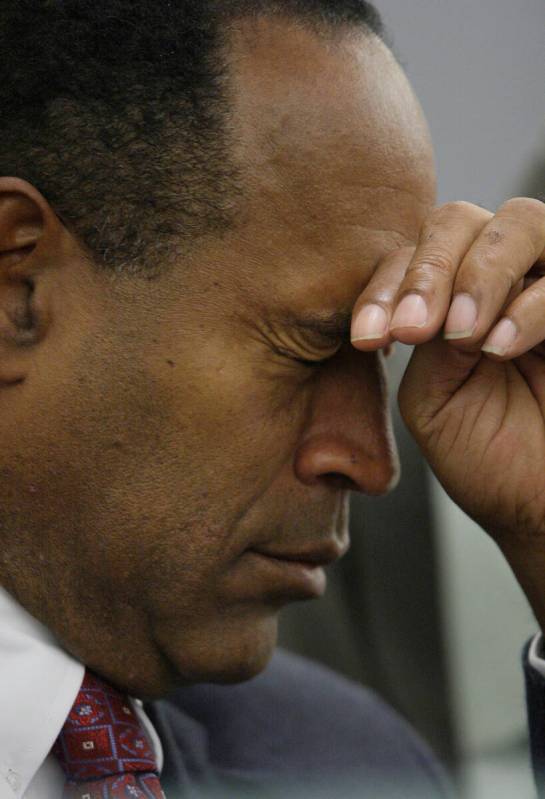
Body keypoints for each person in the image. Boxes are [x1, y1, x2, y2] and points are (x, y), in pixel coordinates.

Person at [1, 1, 545, 797]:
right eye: (309, 349)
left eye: (381, 355)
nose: (372, 463)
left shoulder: (349, 759)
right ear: (18, 288)